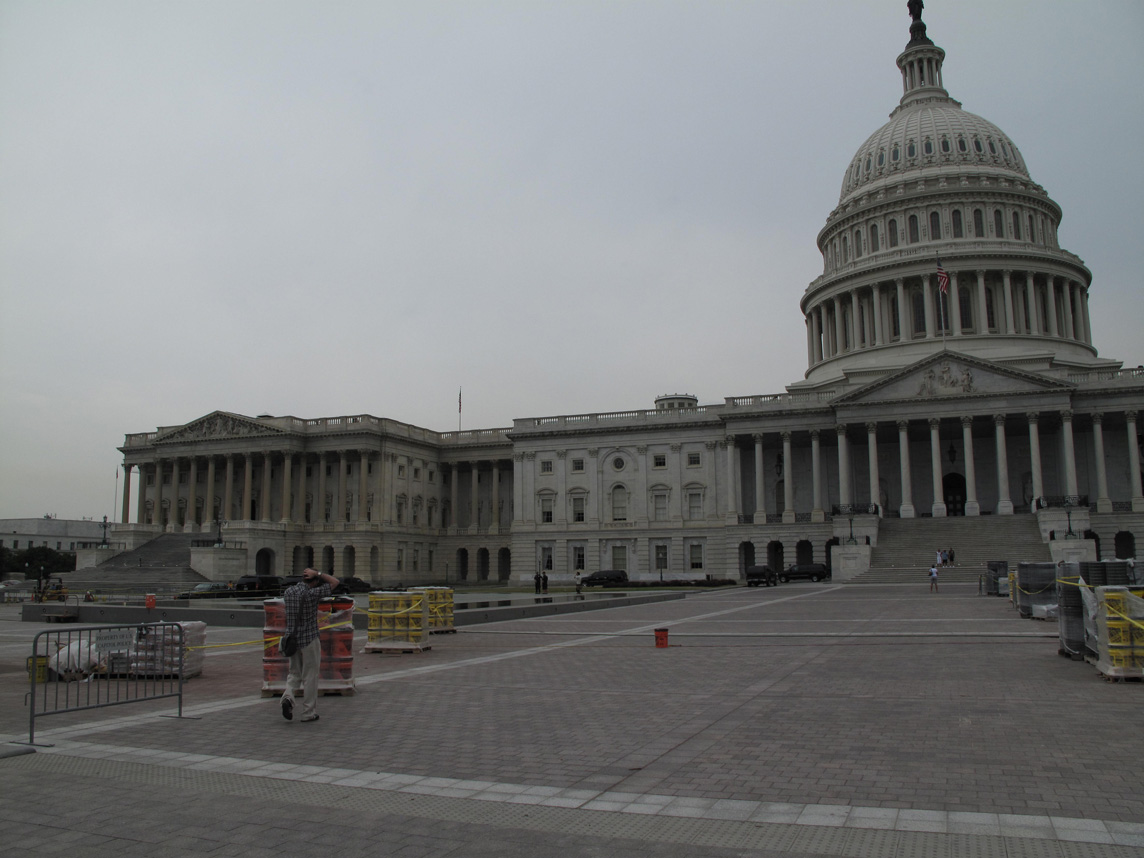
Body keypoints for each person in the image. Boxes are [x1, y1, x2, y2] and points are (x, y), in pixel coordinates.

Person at [281, 567, 339, 723]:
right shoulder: (312, 594)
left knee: (294, 673)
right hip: (309, 638)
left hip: (291, 639)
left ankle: (288, 697)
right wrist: (319, 574)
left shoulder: (289, 592)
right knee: (310, 675)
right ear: (314, 582)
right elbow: (335, 582)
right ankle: (308, 712)